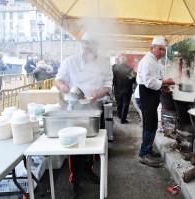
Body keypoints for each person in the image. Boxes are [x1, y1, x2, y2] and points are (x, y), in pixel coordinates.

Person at [55, 32, 113, 193]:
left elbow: (108, 84)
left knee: (93, 143)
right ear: (82, 44)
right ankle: (75, 178)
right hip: (74, 108)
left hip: (95, 108)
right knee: (75, 145)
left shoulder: (104, 63)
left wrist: (98, 92)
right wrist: (63, 86)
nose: (88, 47)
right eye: (85, 43)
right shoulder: (70, 61)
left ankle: (88, 170)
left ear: (97, 47)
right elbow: (58, 79)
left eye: (92, 44)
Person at [137, 36, 175, 167]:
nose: (162, 52)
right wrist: (166, 82)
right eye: (160, 49)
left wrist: (163, 87)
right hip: (146, 95)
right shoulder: (148, 61)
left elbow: (155, 79)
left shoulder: (153, 60)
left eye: (164, 50)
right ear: (152, 48)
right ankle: (144, 154)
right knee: (149, 125)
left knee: (152, 124)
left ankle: (147, 149)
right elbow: (149, 82)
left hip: (151, 96)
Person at [113, 55, 135, 123]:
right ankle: (123, 119)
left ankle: (120, 116)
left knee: (119, 104)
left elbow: (112, 78)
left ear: (119, 60)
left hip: (117, 89)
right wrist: (128, 77)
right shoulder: (130, 68)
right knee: (125, 104)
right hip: (127, 89)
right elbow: (132, 79)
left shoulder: (115, 68)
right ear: (125, 60)